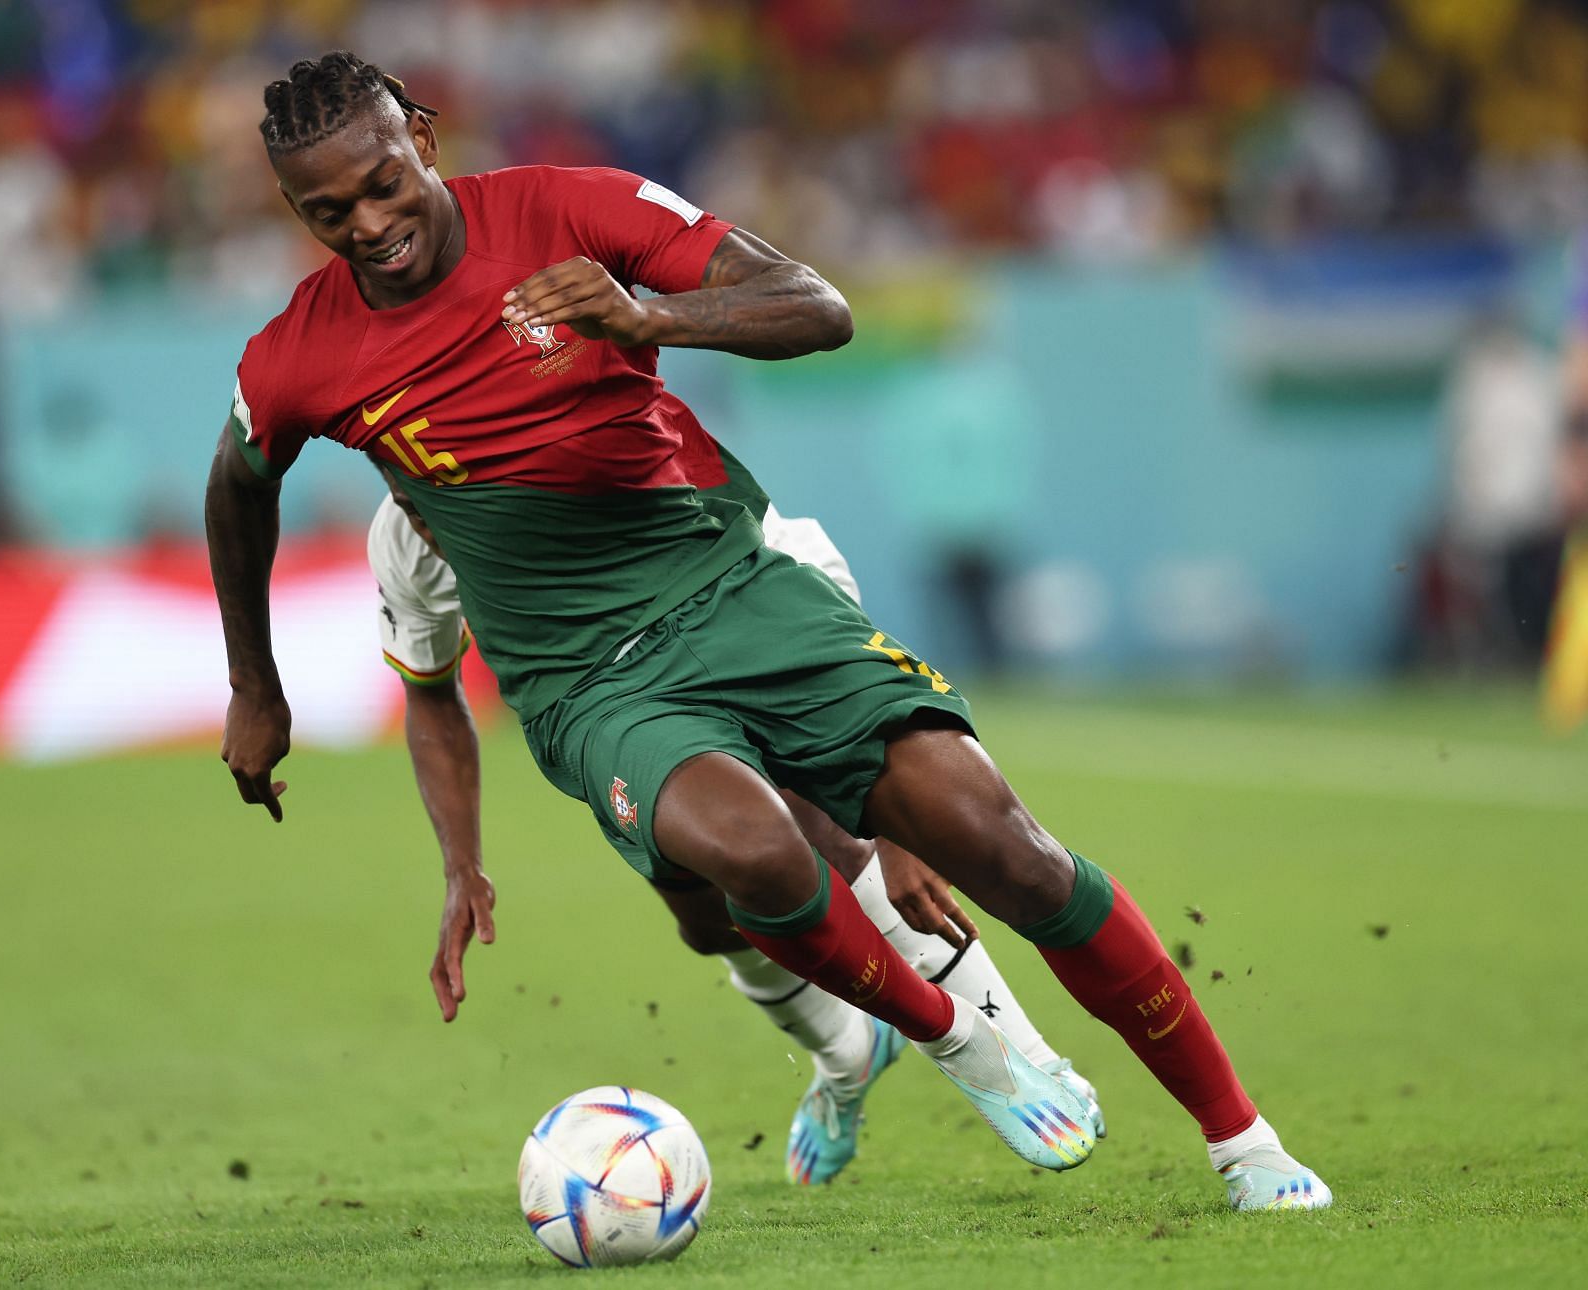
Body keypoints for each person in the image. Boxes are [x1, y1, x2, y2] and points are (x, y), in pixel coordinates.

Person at [205, 52, 1329, 1210]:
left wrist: (652, 314)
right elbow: (236, 488)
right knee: (748, 855)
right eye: (326, 211)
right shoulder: (303, 355)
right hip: (588, 679)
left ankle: (1247, 1145)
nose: (369, 224)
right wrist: (257, 687)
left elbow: (819, 308)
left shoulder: (573, 209)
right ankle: (957, 1039)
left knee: (1004, 846)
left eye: (383, 183)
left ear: (423, 142)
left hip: (734, 581)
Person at [367, 473, 1104, 1185]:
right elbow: (429, 694)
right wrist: (461, 865)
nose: (410, 492)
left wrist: (889, 826)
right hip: (624, 704)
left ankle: (1031, 1062)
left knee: (831, 839)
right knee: (711, 917)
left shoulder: (576, 450)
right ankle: (846, 1059)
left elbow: (816, 600)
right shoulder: (402, 541)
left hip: (756, 625)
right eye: (391, 475)